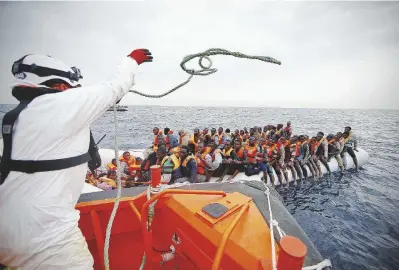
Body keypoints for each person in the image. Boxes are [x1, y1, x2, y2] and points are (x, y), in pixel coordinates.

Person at [0, 48, 153, 269]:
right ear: (62, 86)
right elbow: (116, 86)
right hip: (47, 238)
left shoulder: (15, 118)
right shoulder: (64, 103)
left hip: (8, 231)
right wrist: (132, 60)